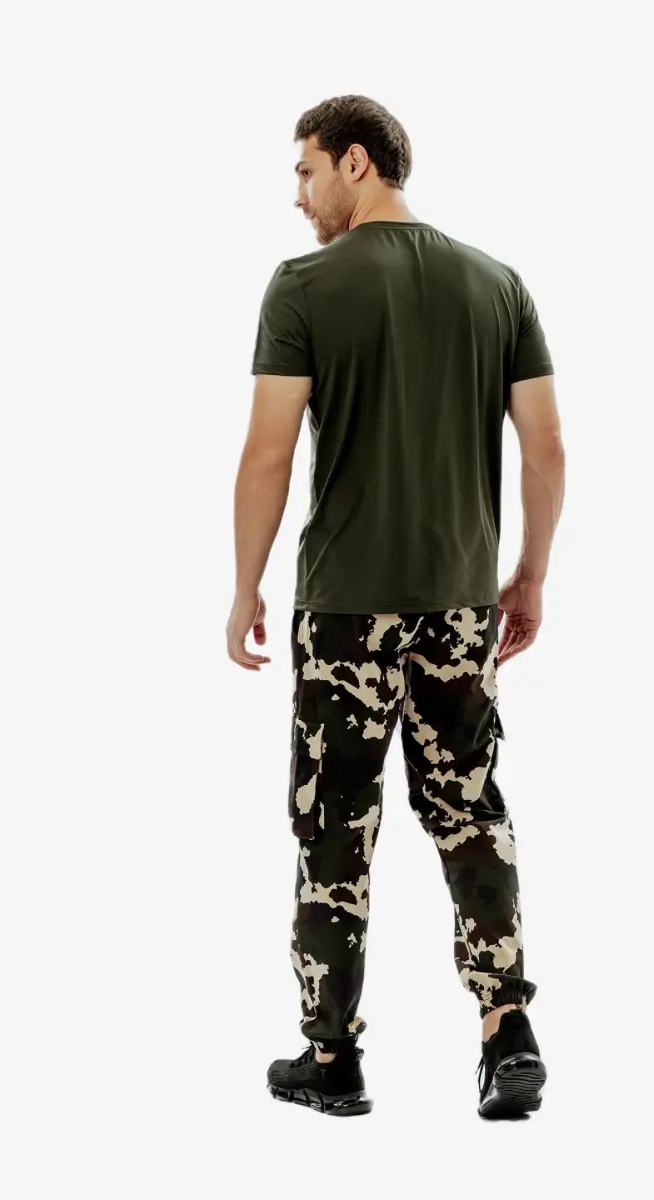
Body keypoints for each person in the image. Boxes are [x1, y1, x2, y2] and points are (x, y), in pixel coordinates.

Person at [227, 95, 565, 1119]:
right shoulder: (498, 284)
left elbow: (268, 454)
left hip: (344, 611)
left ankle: (331, 1057)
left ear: (356, 163)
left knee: (335, 818)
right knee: (469, 810)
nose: (298, 196)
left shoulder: (304, 287)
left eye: (306, 172)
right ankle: (507, 1034)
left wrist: (244, 584)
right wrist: (529, 573)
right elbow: (546, 447)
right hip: (460, 603)